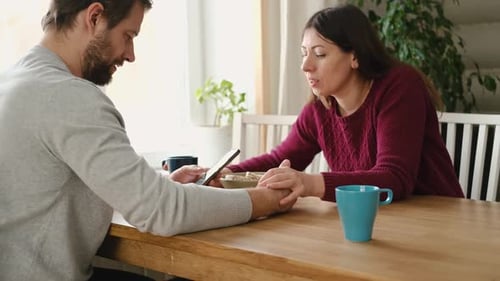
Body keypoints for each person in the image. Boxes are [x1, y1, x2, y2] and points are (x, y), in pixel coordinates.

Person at [0, 1, 292, 280]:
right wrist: (262, 201)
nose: (130, 54)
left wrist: (158, 184)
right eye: (127, 36)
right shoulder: (66, 95)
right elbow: (160, 211)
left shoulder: (15, 81)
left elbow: (59, 185)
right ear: (94, 17)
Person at [223, 4, 464, 206]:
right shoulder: (319, 109)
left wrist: (310, 183)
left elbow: (395, 178)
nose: (305, 66)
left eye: (319, 54)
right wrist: (225, 174)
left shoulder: (399, 86)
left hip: (437, 219)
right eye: (303, 53)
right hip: (372, 220)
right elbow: (280, 159)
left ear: (355, 56)